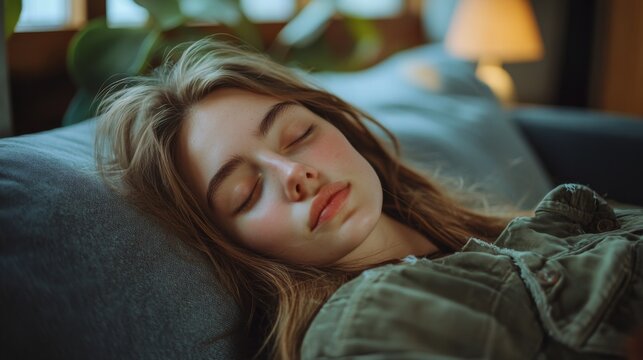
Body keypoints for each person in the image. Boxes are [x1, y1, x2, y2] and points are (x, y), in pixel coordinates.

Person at [96, 37, 643, 360]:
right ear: (229, 244)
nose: (296, 174)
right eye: (246, 192)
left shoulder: (498, 233)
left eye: (297, 135)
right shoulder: (365, 327)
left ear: (344, 131)